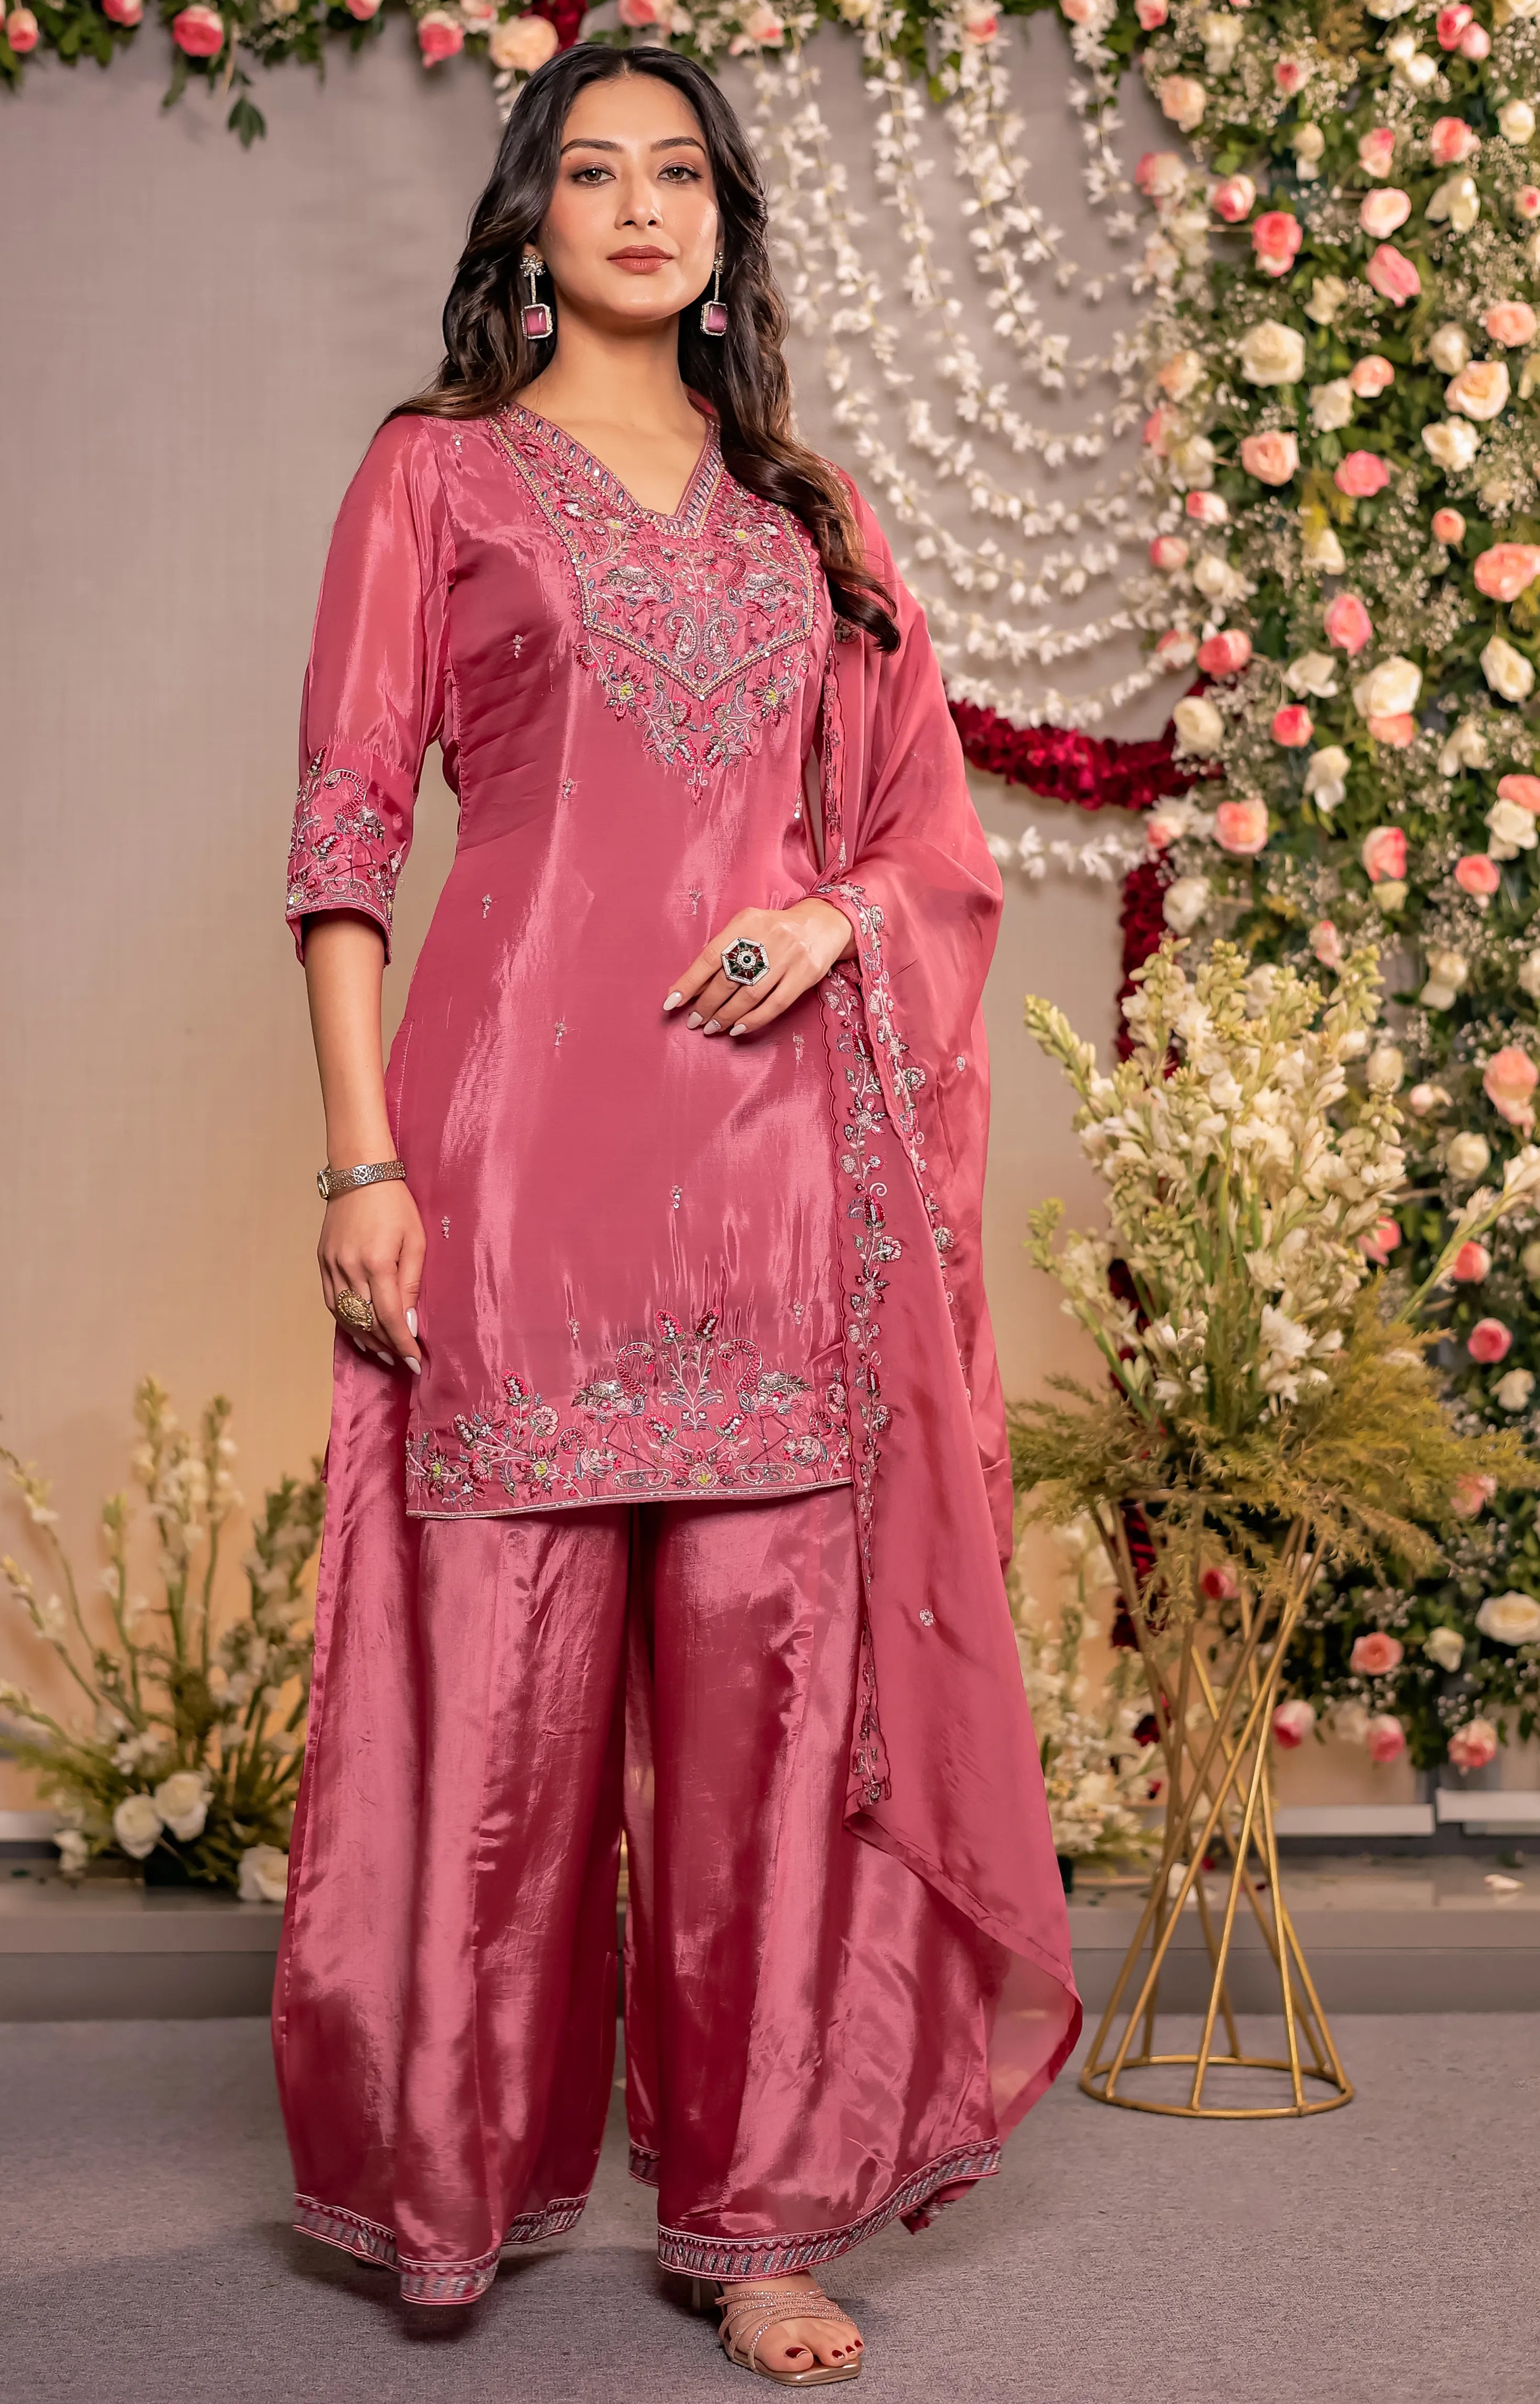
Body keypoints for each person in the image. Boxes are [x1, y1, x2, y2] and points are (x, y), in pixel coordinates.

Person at [273, 42, 1077, 2385]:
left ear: (724, 220)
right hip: (507, 1163)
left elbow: (921, 838)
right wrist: (361, 1160)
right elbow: (341, 842)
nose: (642, 206)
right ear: (530, 217)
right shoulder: (432, 478)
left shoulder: (802, 510)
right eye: (595, 172)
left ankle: (752, 2214)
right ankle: (447, 2177)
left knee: (762, 1729)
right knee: (495, 1710)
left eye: (682, 173)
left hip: (768, 1190)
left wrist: (835, 925)